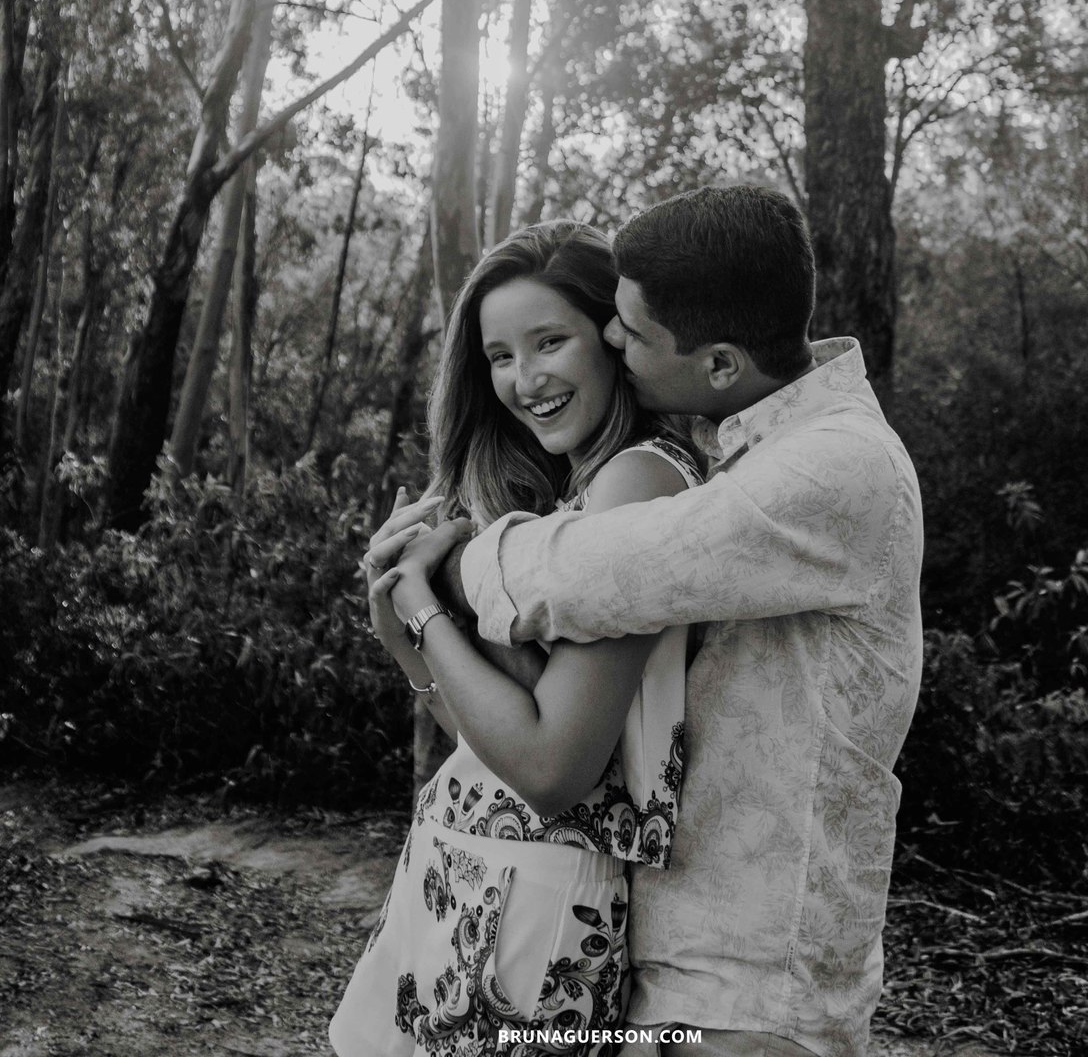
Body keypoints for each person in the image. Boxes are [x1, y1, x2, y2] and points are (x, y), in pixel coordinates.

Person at [427, 184, 924, 1057]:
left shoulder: (832, 467)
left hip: (756, 992)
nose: (612, 341)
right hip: (689, 965)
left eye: (631, 330)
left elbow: (601, 567)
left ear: (722, 363)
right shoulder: (757, 448)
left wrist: (440, 571)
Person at [328, 222, 702, 1056]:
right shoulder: (573, 492)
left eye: (549, 342)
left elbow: (552, 771)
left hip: (534, 909)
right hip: (459, 870)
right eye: (499, 356)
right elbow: (492, 740)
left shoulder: (640, 479)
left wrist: (424, 609)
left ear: (613, 337)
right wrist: (402, 631)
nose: (524, 380)